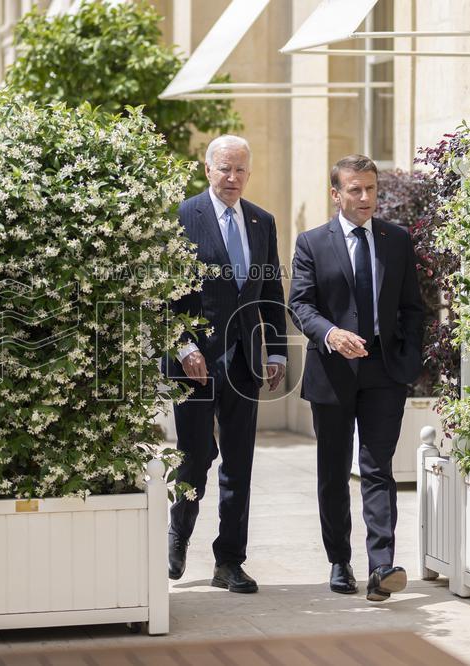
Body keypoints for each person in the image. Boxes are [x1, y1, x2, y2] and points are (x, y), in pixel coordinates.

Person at [288, 154, 423, 601]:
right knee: (333, 470)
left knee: (377, 467)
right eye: (355, 189)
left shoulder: (396, 240)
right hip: (332, 370)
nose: (366, 198)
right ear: (336, 194)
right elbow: (300, 304)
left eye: (371, 189)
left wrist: (407, 357)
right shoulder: (311, 243)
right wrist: (331, 334)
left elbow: (413, 307)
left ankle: (381, 567)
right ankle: (339, 560)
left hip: (384, 370)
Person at [163, 135, 288, 594]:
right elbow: (160, 295)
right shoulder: (180, 217)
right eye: (224, 168)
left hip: (243, 362)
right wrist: (182, 346)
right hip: (192, 364)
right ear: (207, 170)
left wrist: (276, 350)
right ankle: (178, 537)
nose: (232, 178)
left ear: (248, 174)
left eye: (240, 170)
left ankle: (230, 561)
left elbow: (270, 291)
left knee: (239, 463)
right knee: (195, 457)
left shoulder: (262, 221)